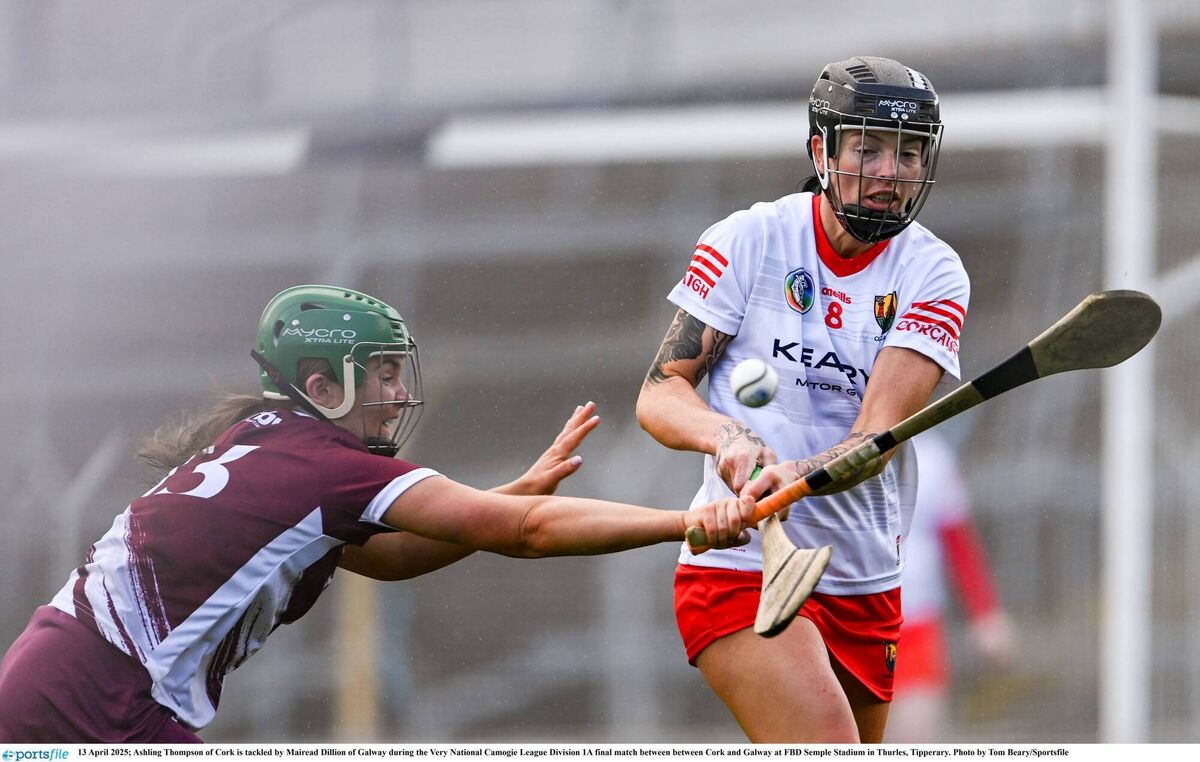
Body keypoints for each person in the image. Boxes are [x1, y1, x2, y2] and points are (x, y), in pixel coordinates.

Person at [0, 284, 756, 742]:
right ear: (323, 383)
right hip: (98, 700)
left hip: (56, 679)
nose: (399, 393)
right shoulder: (326, 467)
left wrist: (513, 492)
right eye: (382, 374)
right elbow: (527, 537)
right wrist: (687, 521)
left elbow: (387, 557)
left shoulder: (270, 443)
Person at [636, 56, 970, 743]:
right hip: (742, 566)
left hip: (864, 575)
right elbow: (661, 391)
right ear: (821, 150)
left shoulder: (933, 272)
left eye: (909, 152)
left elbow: (877, 436)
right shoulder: (750, 240)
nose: (890, 171)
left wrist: (801, 474)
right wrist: (728, 439)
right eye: (868, 148)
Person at [886, 430, 1012, 743]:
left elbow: (957, 540)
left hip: (915, 620)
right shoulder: (829, 447)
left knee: (916, 736)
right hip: (845, 620)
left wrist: (986, 613)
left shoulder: (932, 457)